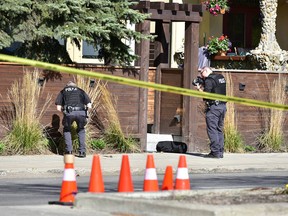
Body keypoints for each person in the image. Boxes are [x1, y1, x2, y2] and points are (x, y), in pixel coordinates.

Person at [196, 66, 227, 158]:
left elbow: (206, 96)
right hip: (222, 106)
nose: (202, 77)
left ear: (205, 71)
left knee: (212, 130)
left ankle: (215, 152)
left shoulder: (209, 80)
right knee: (218, 129)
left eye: (201, 73)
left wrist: (199, 90)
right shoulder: (220, 77)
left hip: (214, 108)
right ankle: (220, 152)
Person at [55, 81, 91, 158]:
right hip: (81, 112)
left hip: (69, 113)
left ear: (67, 86)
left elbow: (58, 108)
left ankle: (69, 151)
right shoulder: (81, 90)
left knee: (67, 130)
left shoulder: (63, 91)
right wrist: (85, 112)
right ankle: (82, 152)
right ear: (75, 86)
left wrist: (65, 112)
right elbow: (89, 105)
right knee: (81, 130)